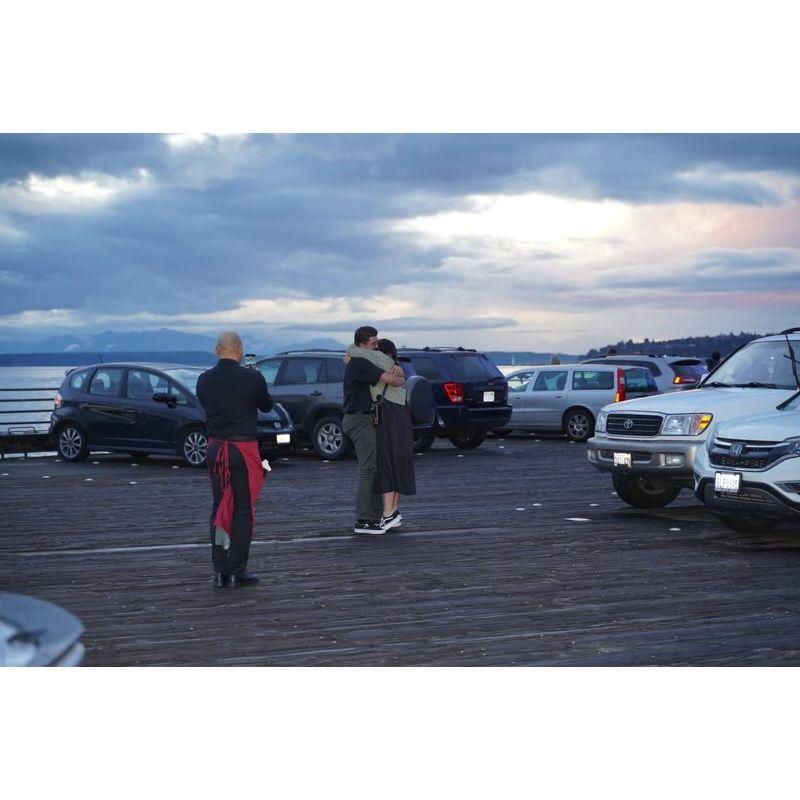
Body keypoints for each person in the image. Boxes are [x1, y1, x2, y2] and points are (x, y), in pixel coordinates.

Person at [196, 331, 273, 587]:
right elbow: (266, 405)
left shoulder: (203, 380)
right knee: (242, 509)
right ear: (239, 350)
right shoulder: (252, 378)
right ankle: (237, 569)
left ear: (216, 350)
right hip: (242, 448)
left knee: (219, 507)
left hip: (215, 448)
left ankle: (220, 570)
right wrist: (256, 378)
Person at [346, 338, 416, 531]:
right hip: (402, 416)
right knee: (397, 462)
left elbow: (352, 352)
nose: (374, 348)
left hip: (389, 417)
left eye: (376, 346)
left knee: (386, 463)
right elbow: (398, 380)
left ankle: (385, 514)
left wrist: (355, 347)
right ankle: (392, 512)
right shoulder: (394, 365)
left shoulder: (378, 361)